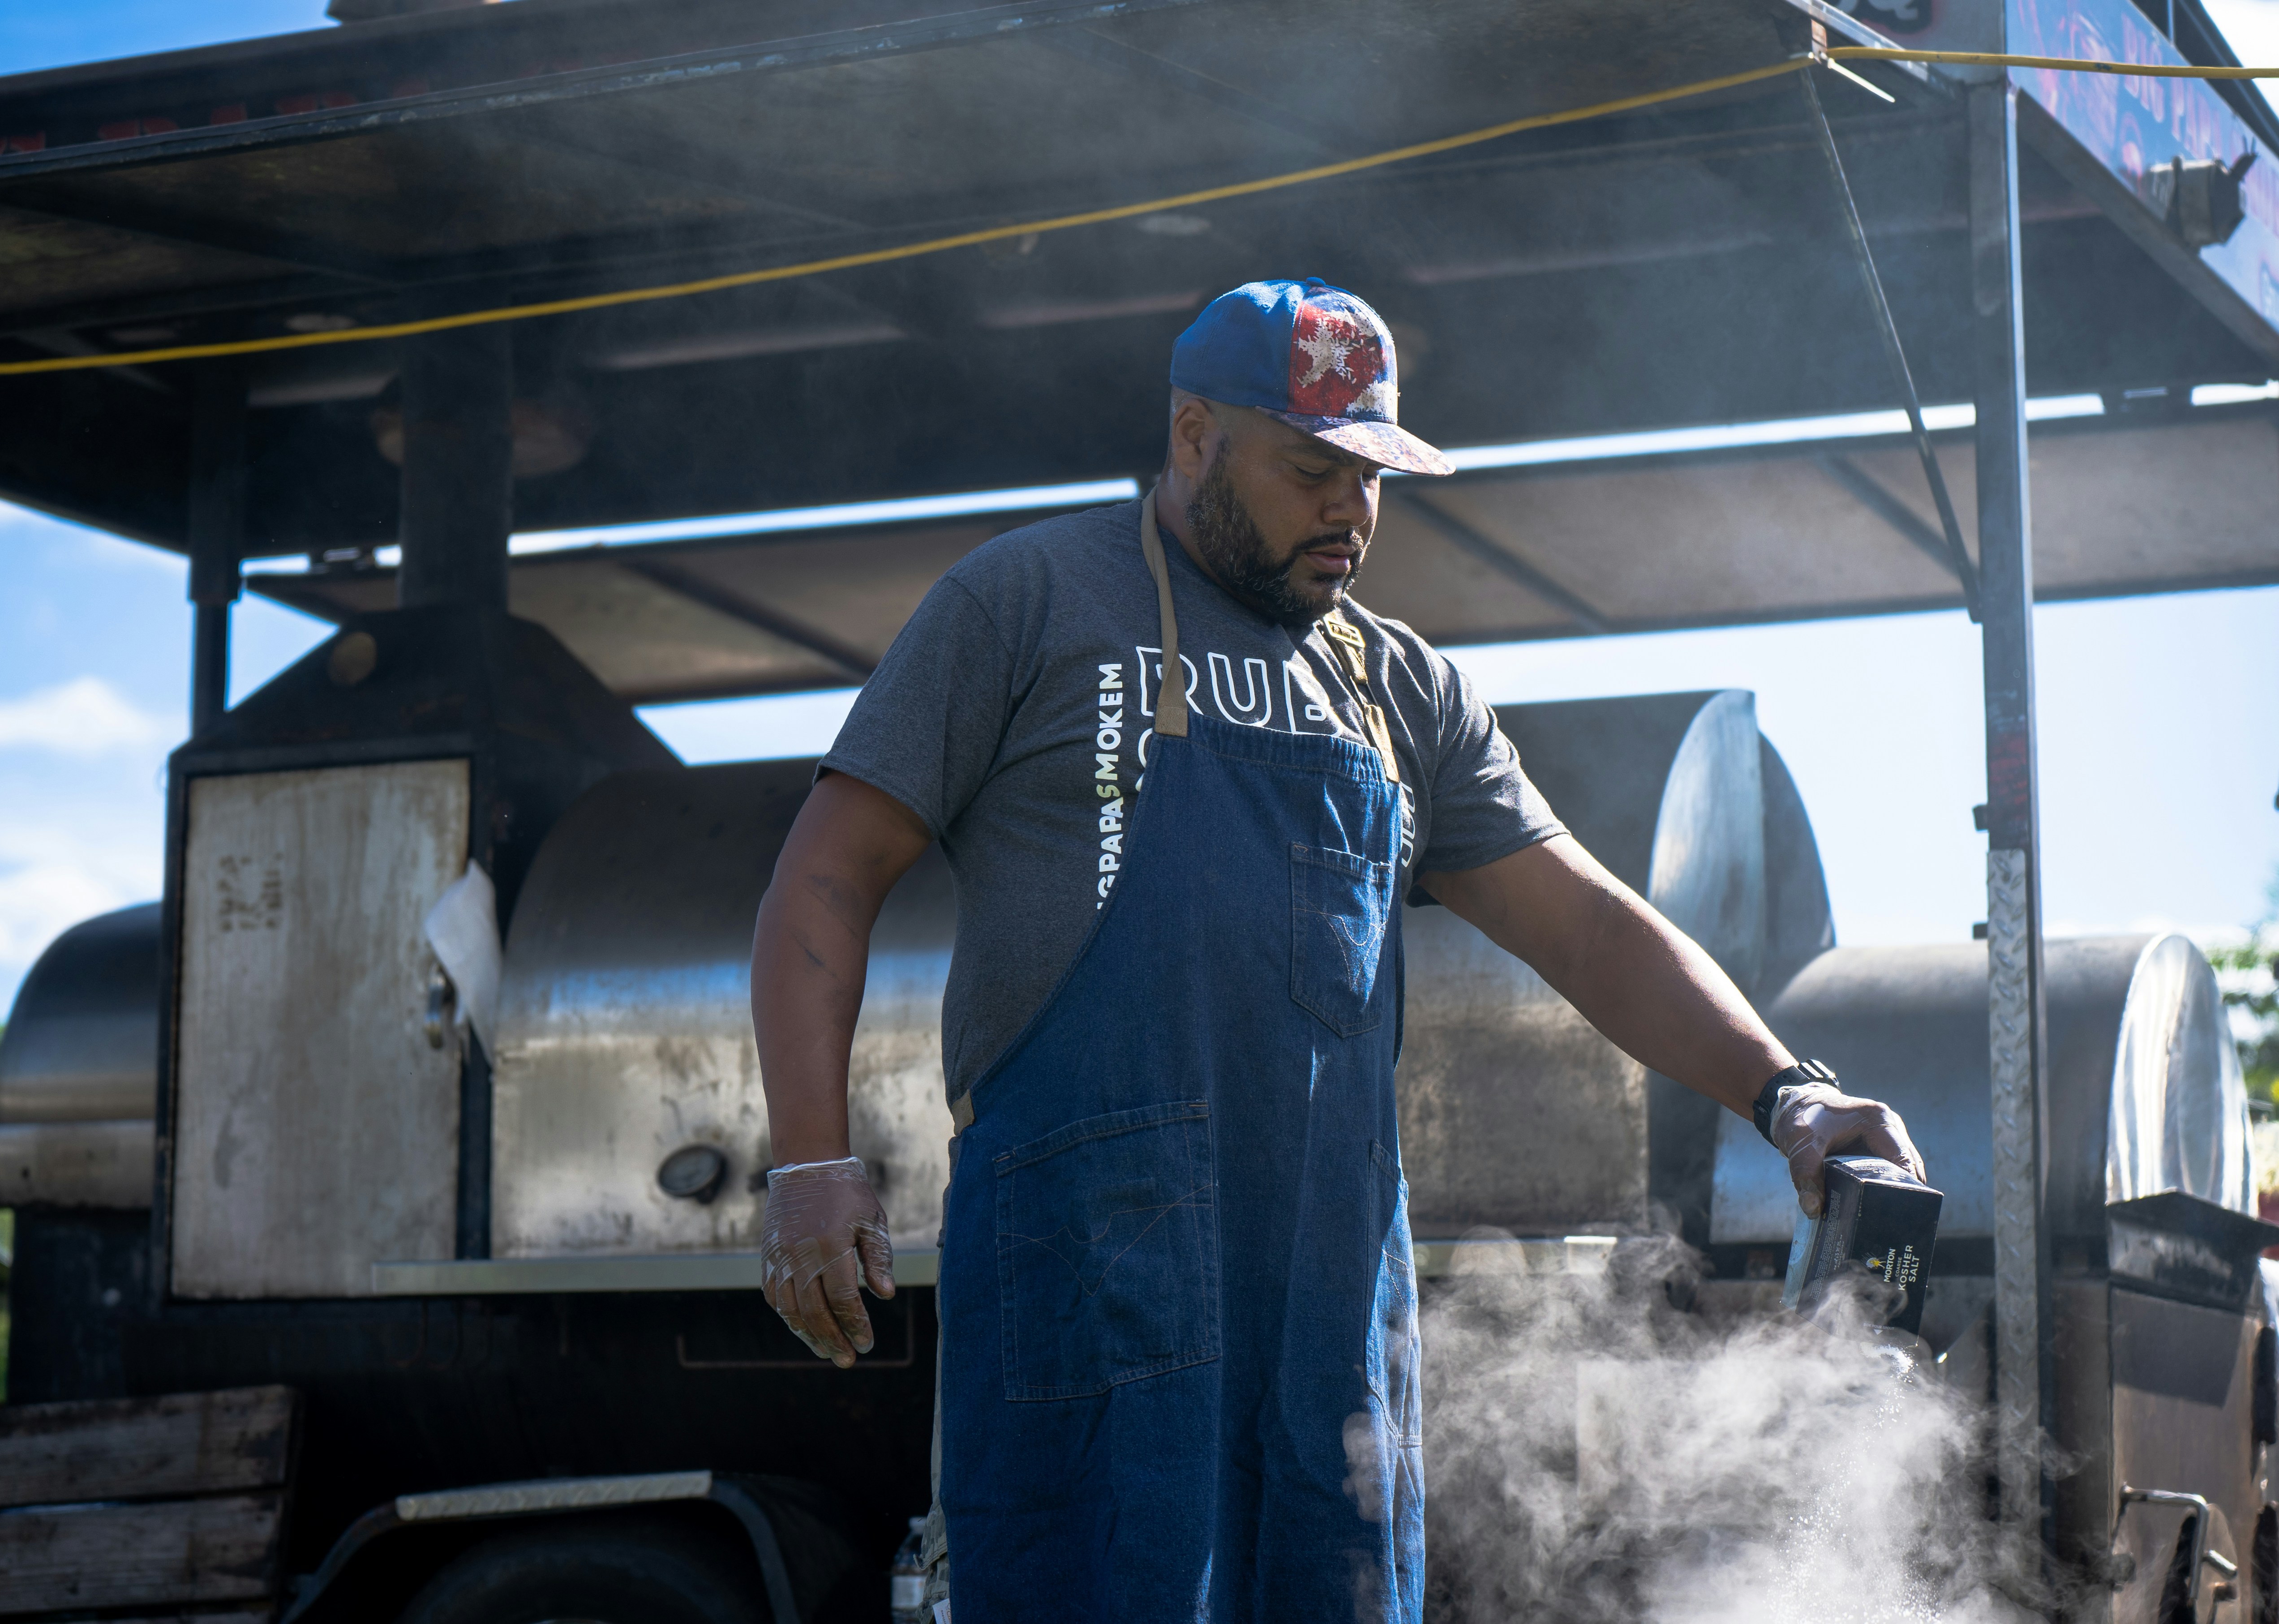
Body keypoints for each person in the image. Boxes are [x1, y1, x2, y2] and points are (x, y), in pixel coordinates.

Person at [748, 279, 1923, 1623]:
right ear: (1192, 435)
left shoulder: (1402, 688)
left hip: (1327, 1333)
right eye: (1315, 470)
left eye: (1375, 478)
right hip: (1086, 1293)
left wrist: (1789, 1091)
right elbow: (826, 875)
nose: (1353, 514)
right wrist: (810, 1157)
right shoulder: (1024, 604)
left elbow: (1590, 923)